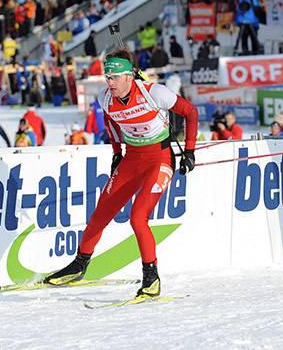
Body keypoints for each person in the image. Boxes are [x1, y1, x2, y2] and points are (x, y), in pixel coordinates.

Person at [45, 48, 198, 300]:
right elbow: (111, 123)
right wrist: (117, 153)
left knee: (138, 217)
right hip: (131, 159)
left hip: (159, 159)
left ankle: (151, 277)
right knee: (101, 213)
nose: (109, 82)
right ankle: (79, 265)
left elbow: (190, 112)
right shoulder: (106, 98)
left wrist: (189, 151)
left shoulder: (154, 93)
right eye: (107, 77)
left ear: (129, 77)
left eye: (114, 77)